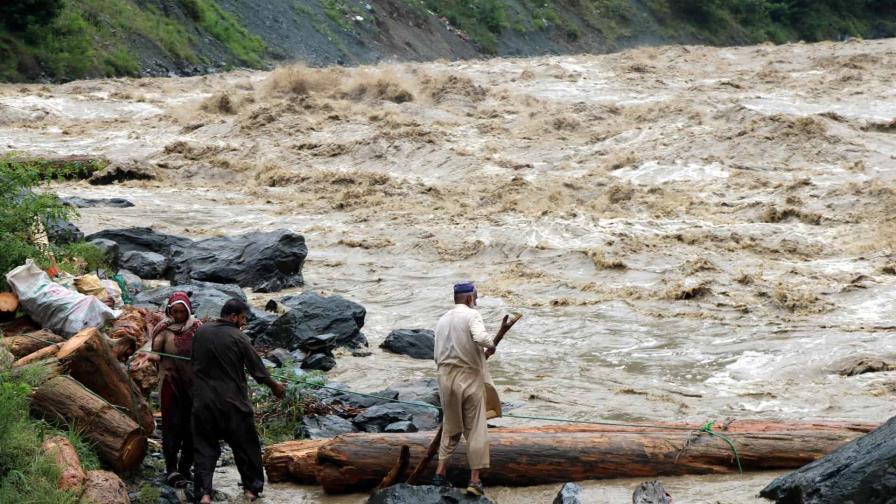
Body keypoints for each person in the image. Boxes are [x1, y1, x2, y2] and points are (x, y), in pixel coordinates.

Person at [191, 299, 285, 503]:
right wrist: (275, 387)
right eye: (242, 318)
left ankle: (204, 494)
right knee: (246, 447)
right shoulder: (239, 337)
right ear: (233, 316)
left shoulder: (201, 332)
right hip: (233, 405)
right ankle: (251, 491)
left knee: (204, 450)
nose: (243, 323)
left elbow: (194, 363)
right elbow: (258, 372)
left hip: (203, 403)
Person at [432, 282, 519, 496]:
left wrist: (480, 354)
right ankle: (474, 481)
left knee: (451, 428)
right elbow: (480, 338)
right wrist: (491, 343)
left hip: (445, 377)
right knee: (476, 429)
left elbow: (439, 353)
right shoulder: (472, 315)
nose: (476, 301)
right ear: (470, 298)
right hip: (468, 378)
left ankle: (439, 474)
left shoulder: (442, 320)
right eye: (476, 297)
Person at [133, 292, 202, 487]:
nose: (178, 315)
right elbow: (157, 354)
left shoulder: (197, 328)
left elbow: (204, 352)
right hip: (171, 383)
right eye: (175, 311)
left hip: (192, 385)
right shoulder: (163, 328)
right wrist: (147, 357)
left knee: (192, 427)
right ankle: (171, 469)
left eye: (182, 312)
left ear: (188, 311)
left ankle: (185, 467)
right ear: (169, 311)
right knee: (172, 426)